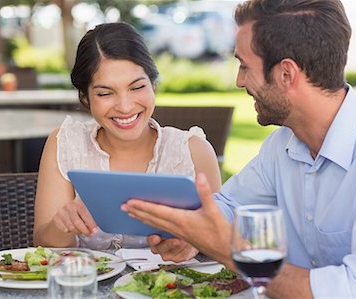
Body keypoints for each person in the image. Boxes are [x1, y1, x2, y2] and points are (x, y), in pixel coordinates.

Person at [121, 0, 356, 298]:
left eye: (244, 66)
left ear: (287, 74)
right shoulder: (283, 145)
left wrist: (232, 252)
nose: (238, 81)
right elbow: (231, 208)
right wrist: (185, 228)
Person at [33, 23, 221, 253]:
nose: (125, 106)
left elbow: (218, 243)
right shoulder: (65, 143)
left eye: (137, 87)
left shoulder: (193, 151)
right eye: (105, 93)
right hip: (87, 286)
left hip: (172, 287)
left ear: (153, 85)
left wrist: (192, 244)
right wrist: (63, 224)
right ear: (85, 97)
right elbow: (43, 244)